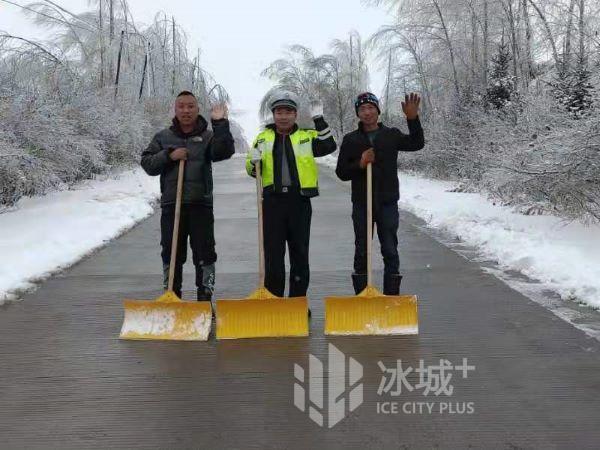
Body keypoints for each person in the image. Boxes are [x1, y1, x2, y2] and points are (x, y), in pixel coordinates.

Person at [141, 90, 235, 303]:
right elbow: (147, 164)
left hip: (200, 204)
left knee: (205, 253)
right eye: (181, 106)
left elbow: (224, 151)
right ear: (175, 109)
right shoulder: (163, 137)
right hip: (171, 205)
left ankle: (204, 300)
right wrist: (169, 155)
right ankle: (172, 297)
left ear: (197, 109)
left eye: (190, 106)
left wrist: (220, 123)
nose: (186, 110)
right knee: (172, 253)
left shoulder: (208, 136)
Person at [246, 96, 336, 300]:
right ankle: (274, 301)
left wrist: (319, 119)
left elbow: (329, 145)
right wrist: (253, 163)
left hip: (299, 202)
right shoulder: (262, 138)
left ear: (295, 115)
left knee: (299, 254)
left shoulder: (306, 136)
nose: (283, 117)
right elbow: (251, 168)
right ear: (274, 115)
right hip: (272, 203)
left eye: (288, 112)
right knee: (273, 256)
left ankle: (297, 302)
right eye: (279, 112)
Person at [335, 92, 424, 295]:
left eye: (371, 108)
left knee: (390, 249)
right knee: (362, 250)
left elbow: (416, 143)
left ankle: (391, 298)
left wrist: (412, 119)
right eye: (362, 109)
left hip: (387, 202)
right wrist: (360, 163)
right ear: (358, 113)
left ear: (378, 110)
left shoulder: (391, 135)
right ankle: (362, 296)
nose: (367, 112)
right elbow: (341, 172)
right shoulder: (351, 140)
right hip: (361, 203)